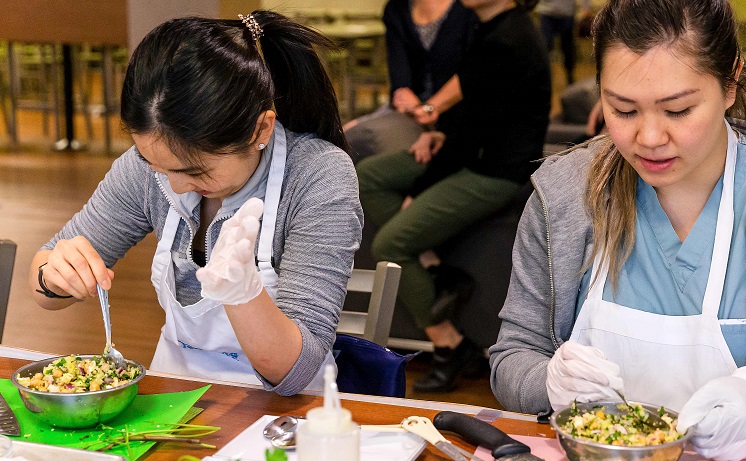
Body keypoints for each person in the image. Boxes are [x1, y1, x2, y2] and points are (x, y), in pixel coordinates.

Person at [489, 0, 746, 458]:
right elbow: (512, 357)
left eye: (677, 110)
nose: (650, 138)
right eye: (624, 110)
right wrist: (548, 381)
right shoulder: (564, 199)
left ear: (730, 82)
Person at [28, 12, 363, 396]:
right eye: (156, 165)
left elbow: (296, 371)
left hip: (287, 417)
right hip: (174, 401)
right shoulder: (149, 169)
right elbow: (42, 289)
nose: (172, 184)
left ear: (261, 129)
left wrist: (243, 293)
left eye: (196, 171)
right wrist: (53, 276)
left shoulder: (317, 176)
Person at [357, 0, 551, 393]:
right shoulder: (488, 28)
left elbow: (478, 134)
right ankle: (434, 267)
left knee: (391, 243)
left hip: (494, 170)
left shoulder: (509, 37)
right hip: (472, 153)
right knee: (369, 174)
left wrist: (421, 189)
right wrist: (438, 133)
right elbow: (473, 115)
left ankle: (449, 343)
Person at [343, 0, 476, 162]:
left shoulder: (469, 6)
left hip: (458, 114)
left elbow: (475, 71)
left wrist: (429, 108)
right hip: (408, 110)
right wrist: (408, 101)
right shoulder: (396, 8)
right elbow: (400, 79)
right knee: (343, 136)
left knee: (364, 148)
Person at [536, 0, 591, 85]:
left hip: (566, 14)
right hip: (547, 13)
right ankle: (543, 77)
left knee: (567, 49)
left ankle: (570, 75)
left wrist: (586, 8)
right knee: (544, 47)